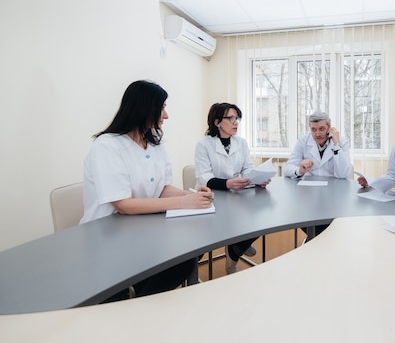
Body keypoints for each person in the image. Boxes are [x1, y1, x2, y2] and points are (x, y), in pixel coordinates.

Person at [81, 80, 214, 301]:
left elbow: (160, 188)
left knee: (183, 261)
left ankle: (143, 304)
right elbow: (123, 204)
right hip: (107, 239)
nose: (166, 115)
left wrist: (192, 196)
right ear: (143, 108)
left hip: (142, 230)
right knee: (118, 294)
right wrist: (183, 203)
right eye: (162, 107)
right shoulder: (107, 147)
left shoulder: (154, 144)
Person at [194, 102, 270, 274]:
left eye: (237, 118)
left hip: (235, 197)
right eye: (231, 118)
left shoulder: (241, 143)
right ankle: (238, 245)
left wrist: (257, 178)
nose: (236, 122)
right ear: (217, 122)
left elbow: (248, 168)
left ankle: (236, 249)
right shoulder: (204, 144)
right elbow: (204, 177)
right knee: (227, 221)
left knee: (259, 217)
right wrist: (227, 183)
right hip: (211, 198)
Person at [284, 111, 352, 238]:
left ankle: (315, 242)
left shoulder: (341, 142)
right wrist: (300, 170)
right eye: (313, 129)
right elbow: (288, 168)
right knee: (301, 215)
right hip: (310, 195)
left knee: (329, 225)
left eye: (322, 129)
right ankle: (316, 242)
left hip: (333, 195)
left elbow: (343, 173)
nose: (317, 134)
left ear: (329, 129)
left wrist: (337, 145)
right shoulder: (303, 141)